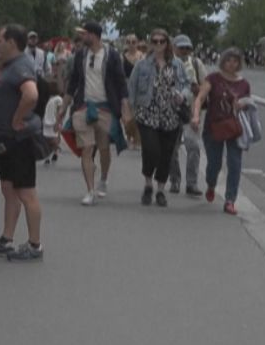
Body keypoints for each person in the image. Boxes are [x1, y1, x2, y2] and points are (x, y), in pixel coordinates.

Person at [0, 25, 44, 262]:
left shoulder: (21, 67)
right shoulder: (12, 66)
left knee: (26, 192)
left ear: (11, 43)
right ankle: (6, 239)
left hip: (19, 140)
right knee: (9, 189)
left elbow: (31, 95)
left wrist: (17, 119)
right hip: (7, 139)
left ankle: (35, 244)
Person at [66, 21, 131, 206]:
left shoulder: (111, 55)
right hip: (84, 106)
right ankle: (90, 190)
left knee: (103, 148)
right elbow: (73, 83)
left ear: (93, 35)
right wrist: (63, 107)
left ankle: (103, 178)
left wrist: (125, 107)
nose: (82, 37)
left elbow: (121, 83)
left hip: (105, 107)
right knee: (86, 149)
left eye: (84, 34)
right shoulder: (80, 55)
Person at [127, 29, 191, 207]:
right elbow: (131, 87)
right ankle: (148, 184)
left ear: (167, 43)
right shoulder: (142, 65)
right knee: (151, 150)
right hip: (147, 114)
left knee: (166, 155)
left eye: (161, 41)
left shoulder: (177, 64)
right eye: (154, 41)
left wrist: (182, 96)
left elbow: (187, 85)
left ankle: (161, 190)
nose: (158, 45)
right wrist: (128, 112)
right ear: (150, 43)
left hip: (171, 116)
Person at [192, 48, 252, 216]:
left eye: (235, 61)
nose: (232, 64)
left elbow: (248, 104)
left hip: (234, 127)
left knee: (235, 163)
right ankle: (211, 184)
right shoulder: (213, 78)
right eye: (228, 60)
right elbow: (201, 98)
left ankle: (230, 200)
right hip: (214, 126)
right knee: (214, 164)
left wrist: (243, 104)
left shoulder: (244, 84)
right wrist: (196, 116)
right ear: (222, 61)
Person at [168, 34, 206, 196]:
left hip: (191, 112)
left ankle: (191, 183)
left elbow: (206, 87)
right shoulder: (169, 64)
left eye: (187, 48)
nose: (184, 51)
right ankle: (174, 180)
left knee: (194, 147)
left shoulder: (196, 64)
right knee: (171, 149)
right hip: (171, 111)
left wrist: (199, 90)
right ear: (174, 48)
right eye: (181, 47)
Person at [41, 79, 64, 166]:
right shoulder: (48, 98)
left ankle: (55, 152)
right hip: (47, 120)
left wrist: (59, 121)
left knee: (53, 138)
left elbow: (59, 110)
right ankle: (48, 156)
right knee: (47, 139)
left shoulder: (58, 99)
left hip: (53, 120)